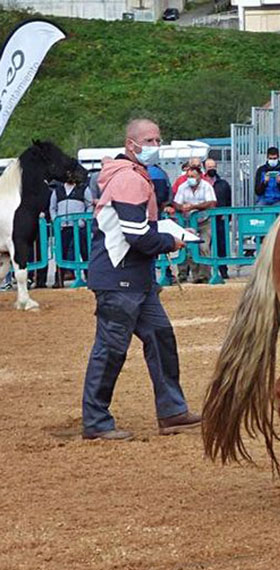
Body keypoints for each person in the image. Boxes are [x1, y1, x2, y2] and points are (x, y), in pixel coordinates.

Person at [82, 118, 200, 441]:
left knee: (161, 339)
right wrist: (171, 242)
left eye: (158, 139)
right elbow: (137, 235)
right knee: (110, 349)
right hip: (119, 276)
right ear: (131, 144)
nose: (155, 145)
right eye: (149, 140)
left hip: (135, 278)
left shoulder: (132, 175)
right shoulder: (129, 180)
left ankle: (172, 411)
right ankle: (95, 421)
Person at [172, 164, 217, 283]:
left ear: (200, 176)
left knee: (203, 247)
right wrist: (181, 207)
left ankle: (204, 275)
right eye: (188, 176)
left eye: (193, 176)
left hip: (204, 222)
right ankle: (186, 274)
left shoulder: (206, 186)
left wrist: (194, 206)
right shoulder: (183, 186)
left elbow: (211, 202)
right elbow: (176, 202)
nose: (190, 178)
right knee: (185, 247)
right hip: (187, 222)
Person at [49, 171, 93, 287]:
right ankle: (59, 280)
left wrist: (84, 220)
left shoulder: (83, 189)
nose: (70, 176)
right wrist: (56, 220)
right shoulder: (57, 191)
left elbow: (90, 205)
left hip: (79, 226)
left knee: (85, 252)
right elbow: (52, 208)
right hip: (63, 228)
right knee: (61, 252)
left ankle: (90, 278)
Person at [205, 159, 231, 280]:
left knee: (222, 245)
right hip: (204, 219)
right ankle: (206, 272)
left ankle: (223, 270)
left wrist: (227, 217)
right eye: (209, 166)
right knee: (205, 246)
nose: (212, 169)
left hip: (220, 219)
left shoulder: (223, 184)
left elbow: (228, 201)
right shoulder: (202, 183)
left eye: (213, 166)